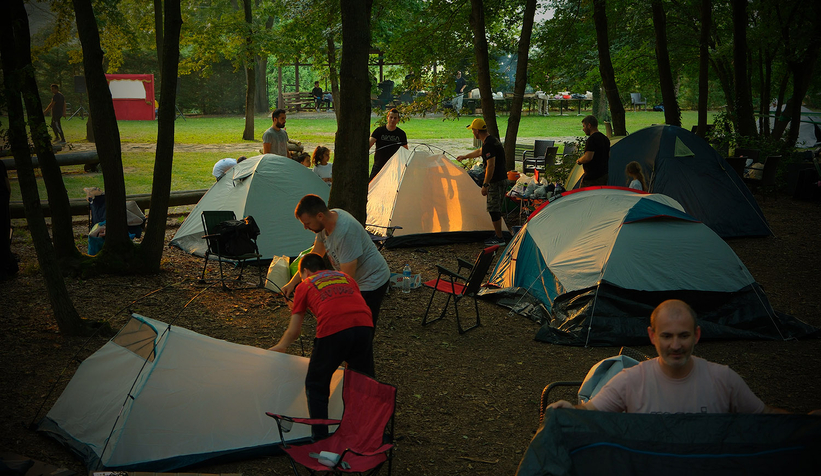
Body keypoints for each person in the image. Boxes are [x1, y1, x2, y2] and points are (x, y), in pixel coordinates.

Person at [547, 299, 788, 414]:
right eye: (666, 336)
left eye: (683, 336)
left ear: (697, 335)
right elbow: (592, 411)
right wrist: (570, 408)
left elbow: (765, 416)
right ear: (652, 336)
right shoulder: (630, 381)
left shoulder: (723, 380)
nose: (675, 345)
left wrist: (806, 420)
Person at [269, 253, 374, 439]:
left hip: (333, 331)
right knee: (362, 381)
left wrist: (281, 345)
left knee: (316, 385)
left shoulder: (305, 285)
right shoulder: (345, 277)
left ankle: (321, 439)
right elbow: (339, 303)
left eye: (300, 275)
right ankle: (365, 432)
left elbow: (294, 331)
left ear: (305, 271)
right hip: (364, 326)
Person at [282, 195, 391, 330]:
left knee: (361, 327)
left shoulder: (345, 232)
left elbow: (346, 280)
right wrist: (293, 283)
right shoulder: (325, 224)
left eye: (307, 223)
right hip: (356, 278)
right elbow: (315, 255)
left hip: (372, 280)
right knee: (347, 325)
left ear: (320, 216)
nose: (305, 227)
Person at [456, 118, 507, 246]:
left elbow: (491, 166)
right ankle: (498, 234)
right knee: (495, 208)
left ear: (477, 131)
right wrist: (465, 156)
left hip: (496, 181)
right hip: (501, 179)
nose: (472, 132)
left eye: (473, 130)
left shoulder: (489, 144)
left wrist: (485, 184)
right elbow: (480, 152)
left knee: (493, 209)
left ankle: (499, 238)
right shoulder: (490, 140)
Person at [368, 108, 408, 180]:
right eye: (391, 117)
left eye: (395, 118)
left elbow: (405, 151)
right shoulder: (379, 131)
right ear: (387, 118)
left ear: (398, 120)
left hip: (393, 166)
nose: (392, 120)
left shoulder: (401, 134)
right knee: (371, 186)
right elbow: (369, 144)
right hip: (378, 165)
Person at [577, 115, 610, 187]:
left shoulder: (592, 139)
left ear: (589, 125)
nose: (583, 129)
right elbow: (608, 155)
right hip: (603, 175)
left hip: (592, 178)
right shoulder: (605, 139)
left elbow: (588, 157)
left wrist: (579, 160)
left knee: (584, 196)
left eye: (584, 126)